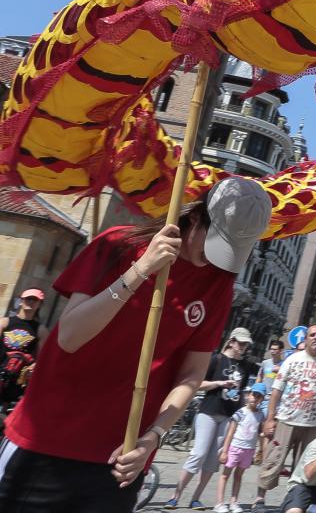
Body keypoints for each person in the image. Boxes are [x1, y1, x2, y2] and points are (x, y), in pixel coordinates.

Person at [0, 177, 271, 512]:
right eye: (216, 242)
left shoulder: (218, 283)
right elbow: (70, 336)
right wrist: (140, 270)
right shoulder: (118, 245)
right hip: (45, 441)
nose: (215, 258)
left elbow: (191, 375)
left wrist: (152, 438)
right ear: (198, 217)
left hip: (122, 460)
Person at [168, 326, 256, 508]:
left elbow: (241, 393)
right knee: (198, 453)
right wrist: (219, 383)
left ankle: (196, 498)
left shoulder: (245, 366)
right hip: (208, 411)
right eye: (240, 343)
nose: (243, 347)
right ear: (231, 341)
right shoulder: (216, 359)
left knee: (213, 460)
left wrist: (242, 413)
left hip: (228, 416)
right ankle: (175, 495)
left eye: (246, 344)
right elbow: (198, 384)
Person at [254, 323, 316, 502]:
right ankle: (259, 499)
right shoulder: (293, 359)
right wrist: (270, 419)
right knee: (273, 459)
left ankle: (293, 501)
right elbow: (276, 390)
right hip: (287, 419)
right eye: (312, 335)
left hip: (312, 424)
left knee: (304, 466)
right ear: (306, 339)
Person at [214, 386, 266, 513]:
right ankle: (219, 503)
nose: (255, 398)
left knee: (239, 476)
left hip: (249, 450)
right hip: (235, 448)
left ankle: (233, 501)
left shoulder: (260, 415)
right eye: (254, 394)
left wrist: (260, 449)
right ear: (248, 395)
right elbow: (230, 433)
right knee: (225, 475)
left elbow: (260, 433)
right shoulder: (240, 413)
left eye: (259, 396)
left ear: (262, 399)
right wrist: (225, 451)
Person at [0, 288, 44, 415]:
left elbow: (42, 358)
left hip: (18, 383)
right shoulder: (5, 322)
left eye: (35, 300)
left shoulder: (41, 330)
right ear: (21, 301)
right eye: (28, 299)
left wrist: (32, 367)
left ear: (39, 304)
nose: (30, 302)